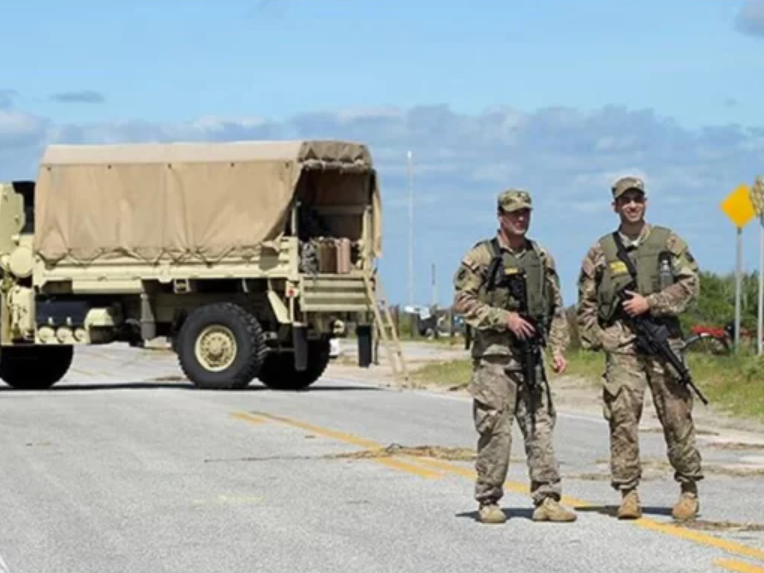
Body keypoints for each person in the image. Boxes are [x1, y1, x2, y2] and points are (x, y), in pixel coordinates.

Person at [576, 176, 703, 521]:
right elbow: (585, 301)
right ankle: (628, 492)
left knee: (676, 416)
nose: (631, 205)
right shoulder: (601, 250)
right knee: (622, 418)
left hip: (663, 341)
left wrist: (652, 302)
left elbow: (691, 285)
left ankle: (689, 489)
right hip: (623, 346)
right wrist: (602, 339)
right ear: (614, 206)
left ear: (645, 202)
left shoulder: (668, 241)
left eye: (637, 198)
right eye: (624, 200)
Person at [453, 189, 577, 524]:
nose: (520, 218)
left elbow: (555, 308)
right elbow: (463, 303)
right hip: (495, 359)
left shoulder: (541, 257)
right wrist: (504, 318)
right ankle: (489, 500)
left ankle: (548, 497)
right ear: (500, 216)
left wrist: (558, 348)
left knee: (541, 427)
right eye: (513, 213)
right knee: (496, 429)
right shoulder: (481, 256)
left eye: (525, 213)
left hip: (531, 357)